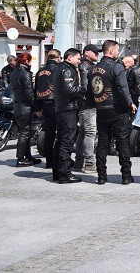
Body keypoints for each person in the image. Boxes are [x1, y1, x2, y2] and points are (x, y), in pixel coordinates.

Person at [89, 40, 136, 185]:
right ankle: (126, 175)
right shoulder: (116, 67)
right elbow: (122, 88)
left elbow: (90, 91)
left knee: (103, 142)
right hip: (116, 109)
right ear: (111, 51)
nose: (118, 52)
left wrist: (95, 104)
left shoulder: (93, 68)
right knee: (122, 142)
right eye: (116, 50)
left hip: (101, 108)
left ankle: (101, 176)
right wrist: (129, 104)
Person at [53, 48, 87, 183]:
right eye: (78, 58)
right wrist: (84, 89)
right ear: (70, 57)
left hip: (62, 108)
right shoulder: (67, 70)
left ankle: (58, 171)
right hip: (68, 109)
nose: (79, 61)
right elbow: (70, 90)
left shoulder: (60, 68)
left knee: (61, 140)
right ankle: (64, 173)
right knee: (67, 141)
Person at [10, 52, 41, 167]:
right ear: (26, 61)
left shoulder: (14, 73)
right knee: (25, 132)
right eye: (30, 61)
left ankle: (27, 156)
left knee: (24, 131)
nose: (31, 63)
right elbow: (29, 92)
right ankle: (20, 158)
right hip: (25, 105)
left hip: (17, 104)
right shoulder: (25, 74)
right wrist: (37, 106)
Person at [74, 44, 99, 173]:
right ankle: (89, 162)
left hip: (84, 103)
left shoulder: (86, 65)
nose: (97, 54)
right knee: (90, 132)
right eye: (95, 52)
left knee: (83, 132)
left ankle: (79, 161)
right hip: (88, 104)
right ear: (87, 53)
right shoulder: (85, 66)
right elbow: (85, 86)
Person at [35, 49, 61, 171]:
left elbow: (36, 89)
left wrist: (38, 107)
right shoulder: (58, 69)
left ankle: (49, 161)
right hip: (56, 103)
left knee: (48, 133)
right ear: (58, 58)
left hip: (44, 103)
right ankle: (58, 160)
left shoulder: (40, 71)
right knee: (61, 133)